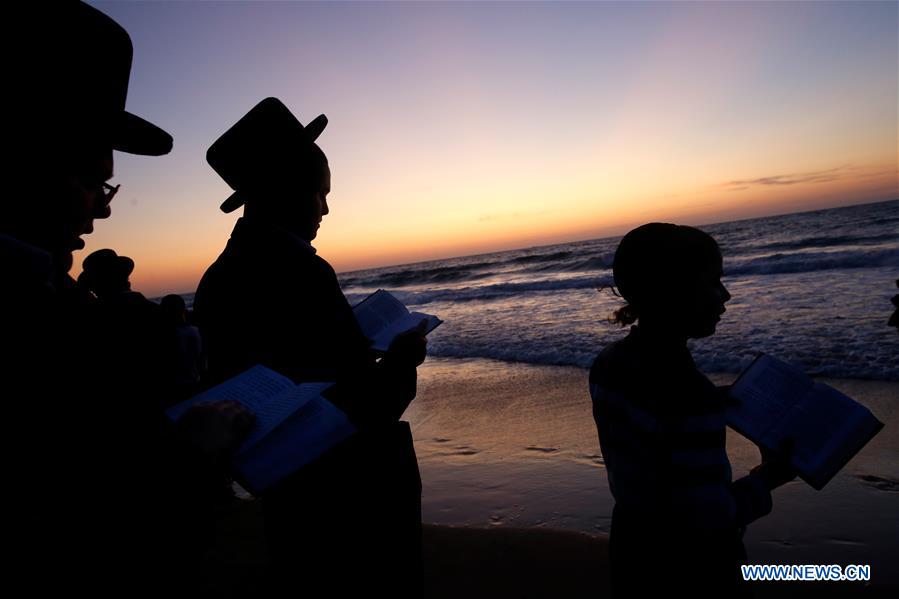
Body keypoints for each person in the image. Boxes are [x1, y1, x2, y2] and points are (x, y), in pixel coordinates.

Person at [2, 2, 253, 593]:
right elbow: (92, 530)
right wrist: (189, 456)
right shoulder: (21, 310)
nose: (106, 205)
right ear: (19, 157)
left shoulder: (47, 288)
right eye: (92, 179)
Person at [193, 97, 427, 596]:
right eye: (317, 193)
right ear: (282, 187)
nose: (325, 208)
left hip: (288, 489)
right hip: (349, 493)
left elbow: (272, 375)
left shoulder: (217, 277)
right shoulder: (301, 270)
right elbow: (365, 402)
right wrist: (403, 360)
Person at [588, 223, 797, 598]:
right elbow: (710, 517)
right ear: (675, 291)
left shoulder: (609, 363)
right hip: (694, 566)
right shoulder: (687, 394)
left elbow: (649, 426)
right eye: (713, 282)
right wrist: (769, 477)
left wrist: (712, 401)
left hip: (634, 545)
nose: (726, 295)